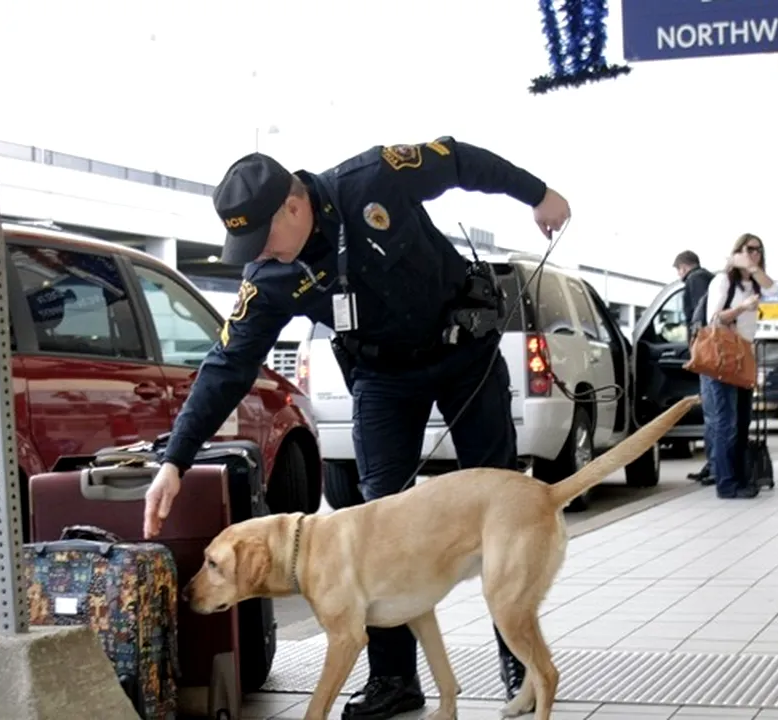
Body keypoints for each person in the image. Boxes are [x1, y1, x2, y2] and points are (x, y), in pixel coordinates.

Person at [141, 138, 570, 719]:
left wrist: (537, 193)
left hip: (462, 352)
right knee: (376, 519)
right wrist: (175, 459)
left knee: (499, 503)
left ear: (294, 206)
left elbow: (458, 160)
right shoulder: (268, 277)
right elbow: (226, 366)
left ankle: (520, 666)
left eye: (263, 238)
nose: (259, 255)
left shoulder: (372, 179)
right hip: (382, 379)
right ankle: (394, 679)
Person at [700, 233, 775, 500]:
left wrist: (753, 269)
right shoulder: (723, 281)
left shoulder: (753, 284)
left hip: (744, 355)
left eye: (759, 250)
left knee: (743, 420)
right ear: (738, 251)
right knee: (726, 422)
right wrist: (742, 307)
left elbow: (773, 289)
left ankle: (741, 479)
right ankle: (726, 483)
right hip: (723, 356)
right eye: (750, 249)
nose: (755, 254)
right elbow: (714, 319)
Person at [673, 250, 715, 484]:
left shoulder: (695, 279)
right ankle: (715, 464)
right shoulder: (708, 278)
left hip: (707, 352)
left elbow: (699, 317)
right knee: (714, 413)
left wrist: (696, 345)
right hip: (712, 351)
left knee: (712, 413)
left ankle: (715, 466)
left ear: (683, 267)